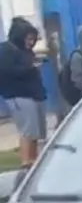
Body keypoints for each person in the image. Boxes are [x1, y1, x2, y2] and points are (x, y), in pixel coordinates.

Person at [0, 17, 47, 166]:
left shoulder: (26, 52)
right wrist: (31, 68)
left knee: (34, 131)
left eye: (33, 39)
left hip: (32, 94)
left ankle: (34, 160)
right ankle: (26, 160)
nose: (31, 42)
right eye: (29, 38)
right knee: (28, 130)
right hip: (18, 95)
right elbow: (8, 71)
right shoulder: (7, 49)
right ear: (20, 36)